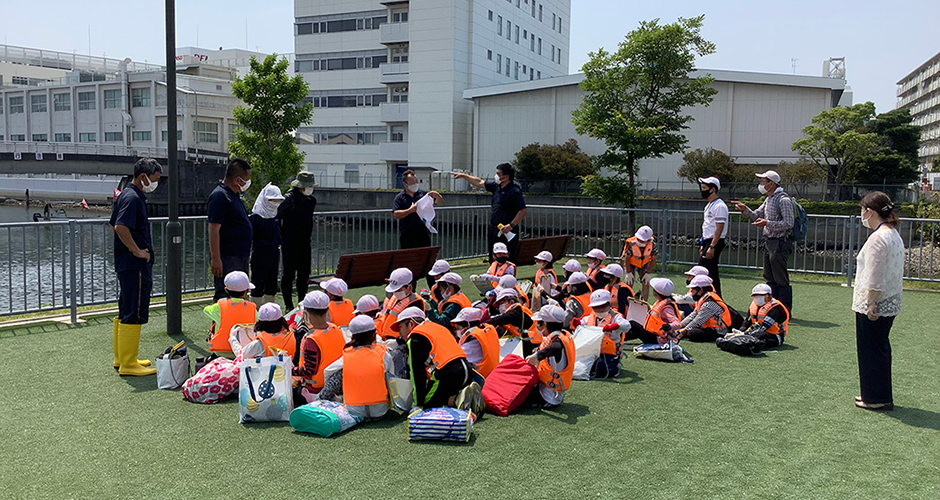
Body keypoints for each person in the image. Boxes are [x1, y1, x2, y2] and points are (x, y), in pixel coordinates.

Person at [109, 158, 162, 376]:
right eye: (155, 179)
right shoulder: (132, 198)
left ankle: (122, 358)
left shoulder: (125, 195)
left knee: (126, 308)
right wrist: (137, 250)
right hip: (135, 264)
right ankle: (128, 363)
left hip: (127, 264)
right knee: (134, 310)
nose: (156, 183)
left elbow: (113, 224)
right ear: (143, 177)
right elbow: (121, 226)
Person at [852, 191, 904, 411]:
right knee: (880, 348)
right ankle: (877, 394)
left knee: (870, 349)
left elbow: (875, 273)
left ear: (869, 211)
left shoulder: (877, 238)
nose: (861, 214)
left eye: (863, 210)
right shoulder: (893, 234)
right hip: (890, 300)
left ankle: (874, 397)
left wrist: (871, 302)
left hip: (874, 303)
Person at [731, 170, 794, 313]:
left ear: (771, 183)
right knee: (769, 277)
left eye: (763, 181)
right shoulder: (769, 199)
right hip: (770, 241)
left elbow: (789, 223)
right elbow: (756, 216)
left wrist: (767, 223)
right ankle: (773, 308)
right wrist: (744, 209)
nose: (761, 184)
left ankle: (784, 310)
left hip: (780, 242)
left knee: (780, 278)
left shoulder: (783, 200)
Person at [392, 307, 474, 409]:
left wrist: (419, 403)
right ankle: (465, 395)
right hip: (467, 369)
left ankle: (458, 400)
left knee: (427, 402)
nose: (399, 333)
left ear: (411, 324)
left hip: (447, 374)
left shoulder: (414, 338)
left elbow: (417, 373)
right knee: (438, 391)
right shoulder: (438, 328)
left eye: (400, 327)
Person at [318, 315, 395, 420]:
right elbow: (392, 381)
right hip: (381, 411)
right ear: (374, 334)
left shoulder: (347, 355)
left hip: (354, 412)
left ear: (352, 336)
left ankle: (327, 399)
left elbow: (327, 371)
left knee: (340, 371)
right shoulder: (384, 353)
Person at [453, 163, 527, 261]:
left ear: (506, 176)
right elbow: (479, 182)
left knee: (508, 257)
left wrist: (511, 225)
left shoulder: (514, 191)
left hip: (507, 230)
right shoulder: (496, 187)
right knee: (493, 256)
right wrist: (464, 176)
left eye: (498, 173)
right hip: (494, 229)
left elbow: (522, 210)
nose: (496, 176)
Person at [208, 158, 253, 301]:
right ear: (238, 179)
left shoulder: (234, 195)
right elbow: (214, 228)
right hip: (228, 257)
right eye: (246, 179)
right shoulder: (220, 196)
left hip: (240, 255)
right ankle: (222, 322)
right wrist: (216, 258)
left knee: (240, 295)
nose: (248, 182)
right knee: (225, 296)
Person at [292, 291, 346, 401]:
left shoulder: (311, 339)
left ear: (305, 313)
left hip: (315, 389)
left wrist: (291, 370)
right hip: (337, 386)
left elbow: (309, 370)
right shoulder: (335, 328)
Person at [278, 171, 318, 310]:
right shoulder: (288, 198)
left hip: (305, 243)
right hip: (289, 243)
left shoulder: (311, 201)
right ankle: (288, 305)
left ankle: (302, 302)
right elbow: (278, 216)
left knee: (304, 275)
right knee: (288, 275)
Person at [525, 304, 576, 408]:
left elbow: (555, 348)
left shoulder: (558, 341)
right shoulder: (561, 335)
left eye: (539, 324)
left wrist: (537, 356)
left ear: (546, 324)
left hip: (548, 396)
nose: (537, 327)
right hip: (546, 389)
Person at [248, 183, 284, 306]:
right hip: (260, 253)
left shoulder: (275, 215)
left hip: (274, 252)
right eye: (272, 200)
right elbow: (250, 238)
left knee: (272, 282)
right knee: (258, 282)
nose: (275, 203)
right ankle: (256, 310)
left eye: (277, 200)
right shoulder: (255, 218)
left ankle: (271, 310)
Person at [204, 271, 257, 354]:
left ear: (226, 290)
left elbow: (206, 310)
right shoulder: (252, 308)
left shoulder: (220, 306)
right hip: (244, 352)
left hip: (221, 352)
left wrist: (221, 302)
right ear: (247, 291)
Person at [580, 289, 631, 372]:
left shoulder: (615, 317)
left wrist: (616, 326)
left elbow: (627, 326)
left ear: (609, 304)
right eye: (596, 307)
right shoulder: (592, 316)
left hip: (609, 353)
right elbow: (583, 323)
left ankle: (616, 365)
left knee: (601, 369)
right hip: (592, 351)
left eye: (602, 307)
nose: (600, 310)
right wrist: (578, 323)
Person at [392, 169, 443, 249]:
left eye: (416, 181)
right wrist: (410, 210)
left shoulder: (423, 195)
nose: (415, 184)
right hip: (407, 235)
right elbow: (396, 214)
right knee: (408, 258)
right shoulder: (400, 198)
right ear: (405, 184)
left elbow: (439, 202)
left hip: (423, 233)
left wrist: (437, 196)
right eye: (412, 182)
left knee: (425, 257)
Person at [626, 278, 682, 344]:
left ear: (656, 293)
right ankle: (620, 339)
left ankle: (618, 339)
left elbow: (678, 324)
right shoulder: (661, 302)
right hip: (656, 334)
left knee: (633, 323)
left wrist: (669, 326)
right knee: (637, 327)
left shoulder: (667, 308)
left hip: (660, 339)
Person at [486, 288, 540, 357]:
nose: (500, 307)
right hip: (529, 341)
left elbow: (500, 319)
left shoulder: (516, 312)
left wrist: (481, 325)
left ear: (511, 302)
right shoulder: (520, 310)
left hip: (532, 344)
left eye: (501, 303)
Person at [675, 276, 731, 342]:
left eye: (693, 288)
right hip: (708, 327)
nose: (691, 291)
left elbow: (698, 321)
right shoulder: (703, 298)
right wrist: (679, 326)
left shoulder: (709, 303)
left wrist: (681, 333)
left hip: (718, 331)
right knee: (690, 330)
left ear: (701, 289)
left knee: (692, 333)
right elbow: (693, 315)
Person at [698, 176, 728, 297]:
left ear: (713, 189)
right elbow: (707, 226)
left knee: (703, 269)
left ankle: (709, 296)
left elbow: (719, 227)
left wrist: (712, 246)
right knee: (710, 271)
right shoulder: (709, 205)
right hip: (707, 241)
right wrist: (702, 243)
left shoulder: (719, 206)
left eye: (705, 188)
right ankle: (714, 296)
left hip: (714, 241)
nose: (702, 190)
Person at [376, 268, 425, 340]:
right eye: (394, 290)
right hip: (383, 338)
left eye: (399, 290)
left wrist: (398, 342)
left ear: (410, 287)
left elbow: (411, 331)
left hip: (399, 342)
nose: (395, 292)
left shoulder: (415, 304)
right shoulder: (395, 297)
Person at [452, 307, 500, 377]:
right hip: (493, 373)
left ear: (468, 327)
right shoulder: (486, 332)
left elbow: (453, 358)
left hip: (481, 379)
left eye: (458, 327)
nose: (456, 330)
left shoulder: (471, 345)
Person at [740, 284, 790, 348]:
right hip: (755, 332)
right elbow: (746, 323)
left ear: (769, 296)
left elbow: (763, 328)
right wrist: (739, 332)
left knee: (761, 335)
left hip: (775, 337)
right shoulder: (753, 306)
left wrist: (744, 334)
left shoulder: (775, 309)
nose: (757, 298)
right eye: (755, 296)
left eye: (761, 295)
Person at [621, 225, 657, 301]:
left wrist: (648, 273)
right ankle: (626, 300)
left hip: (644, 263)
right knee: (629, 281)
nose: (640, 241)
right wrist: (628, 272)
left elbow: (653, 259)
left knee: (646, 282)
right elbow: (626, 258)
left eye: (642, 240)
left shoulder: (652, 245)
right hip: (630, 263)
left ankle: (644, 303)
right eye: (639, 239)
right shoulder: (632, 244)